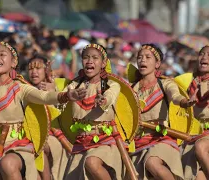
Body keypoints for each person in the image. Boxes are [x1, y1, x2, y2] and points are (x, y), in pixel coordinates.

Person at [0, 41, 86, 180]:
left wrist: (66, 95)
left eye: (2, 54)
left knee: (8, 164)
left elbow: (44, 97)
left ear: (13, 62)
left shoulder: (20, 88)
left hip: (14, 148)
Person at [128, 44, 195, 180]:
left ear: (157, 63)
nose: (142, 60)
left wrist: (184, 102)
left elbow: (175, 96)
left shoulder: (166, 84)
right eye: (139, 57)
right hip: (138, 141)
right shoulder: (131, 89)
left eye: (148, 57)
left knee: (152, 162)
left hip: (161, 138)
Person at [62, 44, 123, 180]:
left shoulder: (111, 85)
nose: (89, 61)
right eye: (86, 57)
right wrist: (62, 94)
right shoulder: (74, 86)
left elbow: (111, 96)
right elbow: (60, 97)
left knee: (91, 162)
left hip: (104, 142)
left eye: (95, 58)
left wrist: (104, 100)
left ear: (103, 63)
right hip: (80, 143)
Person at [26, 53, 70, 180]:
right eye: (31, 69)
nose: (34, 72)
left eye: (38, 68)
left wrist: (54, 91)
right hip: (31, 136)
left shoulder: (60, 85)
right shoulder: (24, 88)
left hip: (55, 136)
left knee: (37, 145)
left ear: (47, 70)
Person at [182, 44, 209, 180]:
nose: (204, 57)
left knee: (201, 147)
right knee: (197, 177)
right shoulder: (189, 84)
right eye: (202, 54)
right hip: (195, 135)